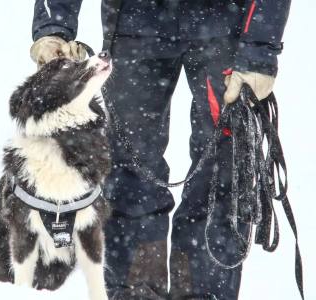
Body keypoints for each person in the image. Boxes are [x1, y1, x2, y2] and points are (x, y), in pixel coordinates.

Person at [30, 1, 291, 299]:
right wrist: (54, 27)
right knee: (129, 171)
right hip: (134, 21)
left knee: (224, 168)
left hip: (224, 24)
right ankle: (134, 291)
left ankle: (204, 291)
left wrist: (259, 49)